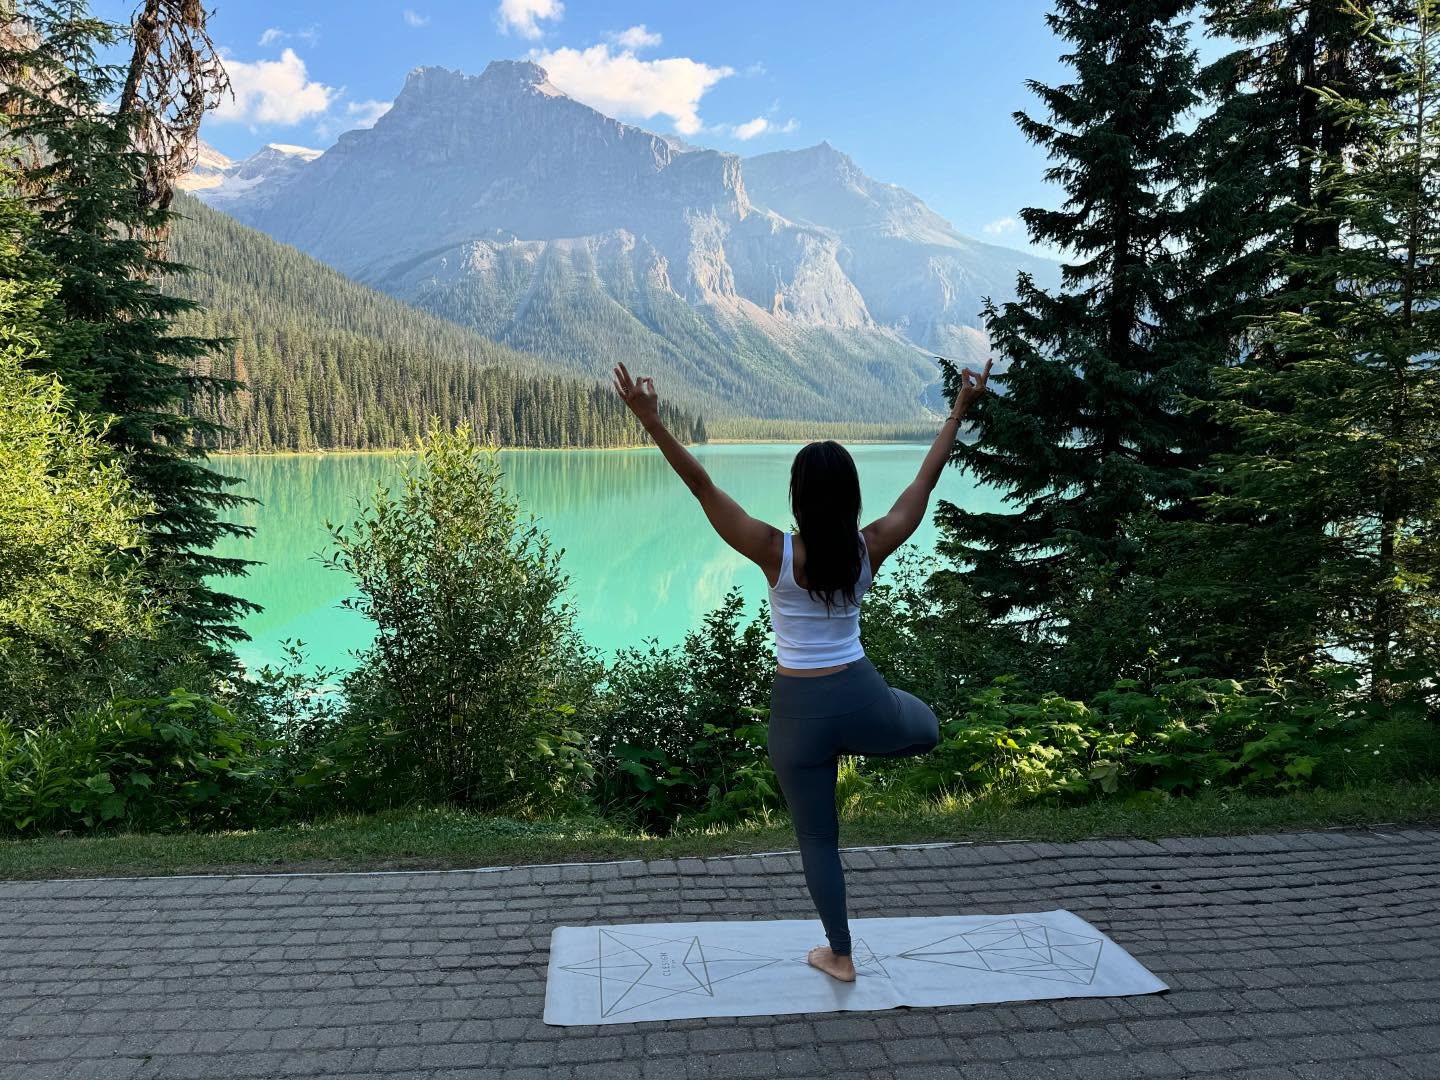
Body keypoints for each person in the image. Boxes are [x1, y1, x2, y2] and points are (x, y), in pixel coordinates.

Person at [611, 358, 993, 982]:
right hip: (863, 698)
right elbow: (921, 488)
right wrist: (958, 412)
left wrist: (652, 422)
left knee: (818, 840)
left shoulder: (774, 551)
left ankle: (839, 955)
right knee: (925, 728)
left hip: (795, 718)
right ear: (851, 497)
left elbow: (703, 488)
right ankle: (864, 726)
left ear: (797, 496)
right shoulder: (870, 548)